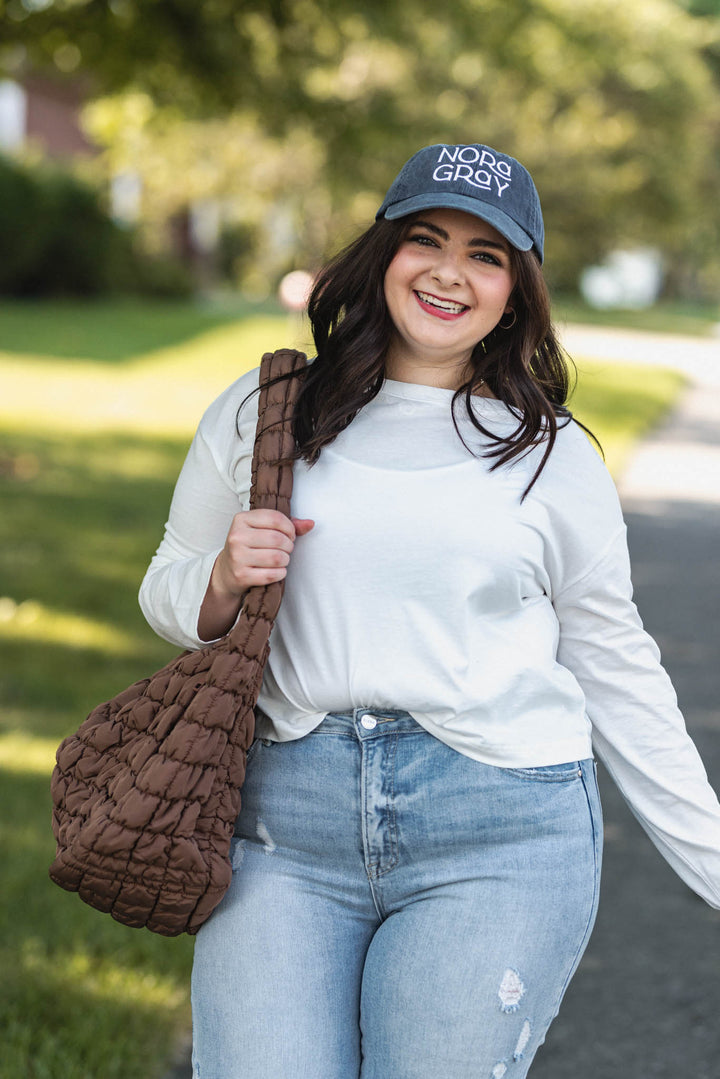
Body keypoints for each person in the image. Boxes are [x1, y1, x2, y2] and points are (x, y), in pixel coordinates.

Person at [139, 143, 720, 1079]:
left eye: (487, 255)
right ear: (384, 254)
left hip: (500, 827)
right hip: (287, 825)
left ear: (516, 288)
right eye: (427, 239)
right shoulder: (268, 408)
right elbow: (165, 588)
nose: (451, 272)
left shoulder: (549, 455)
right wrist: (219, 580)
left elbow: (615, 662)